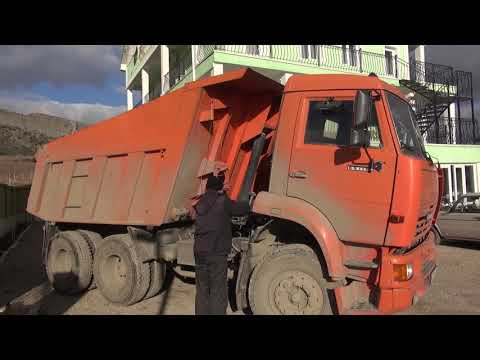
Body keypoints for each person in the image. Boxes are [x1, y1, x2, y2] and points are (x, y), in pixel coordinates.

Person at [193, 174, 250, 315]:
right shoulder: (223, 201)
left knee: (202, 290)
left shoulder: (200, 203)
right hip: (216, 253)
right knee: (218, 291)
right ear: (219, 188)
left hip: (200, 252)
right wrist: (251, 202)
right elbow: (241, 209)